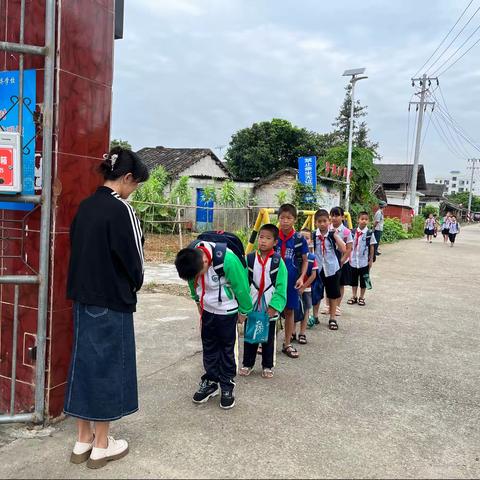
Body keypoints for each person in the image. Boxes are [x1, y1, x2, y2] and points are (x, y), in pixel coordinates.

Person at [64, 147, 149, 469]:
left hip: (83, 298)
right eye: (136, 184)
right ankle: (102, 444)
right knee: (108, 368)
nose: (134, 190)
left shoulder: (85, 207)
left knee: (84, 365)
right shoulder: (121, 209)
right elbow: (135, 262)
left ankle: (82, 439)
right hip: (111, 300)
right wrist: (134, 286)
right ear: (127, 178)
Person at [175, 235, 253, 410]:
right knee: (209, 346)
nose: (195, 278)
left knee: (226, 350)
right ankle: (210, 382)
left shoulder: (228, 259)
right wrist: (197, 301)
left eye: (197, 274)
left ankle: (227, 386)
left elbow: (242, 287)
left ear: (204, 262)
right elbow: (192, 283)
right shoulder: (191, 257)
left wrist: (244, 311)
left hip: (227, 310)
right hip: (208, 310)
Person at [240, 224, 287, 379]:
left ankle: (267, 365)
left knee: (269, 337)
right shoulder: (250, 258)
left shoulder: (278, 262)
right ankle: (248, 363)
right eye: (261, 237)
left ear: (275, 242)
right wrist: (243, 304)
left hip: (269, 304)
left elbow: (281, 285)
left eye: (268, 238)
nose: (263, 241)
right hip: (251, 303)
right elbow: (243, 282)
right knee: (250, 335)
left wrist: (274, 306)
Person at [275, 204, 308, 358]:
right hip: (272, 280)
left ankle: (287, 344)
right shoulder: (273, 235)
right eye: (282, 218)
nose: (285, 221)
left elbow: (306, 260)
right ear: (278, 219)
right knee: (269, 310)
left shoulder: (299, 239)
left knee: (289, 312)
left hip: (291, 280)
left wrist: (302, 277)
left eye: (289, 218)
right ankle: (265, 342)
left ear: (294, 219)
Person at [313, 209, 346, 330]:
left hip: (332, 268)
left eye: (325, 221)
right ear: (315, 223)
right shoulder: (313, 235)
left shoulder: (333, 235)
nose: (322, 224)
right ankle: (315, 316)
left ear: (329, 221)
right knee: (316, 294)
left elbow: (343, 249)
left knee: (332, 295)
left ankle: (332, 318)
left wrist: (336, 236)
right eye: (319, 221)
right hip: (317, 269)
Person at [321, 207, 353, 316]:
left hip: (342, 262)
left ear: (342, 217)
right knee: (328, 283)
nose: (334, 218)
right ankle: (328, 305)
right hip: (329, 262)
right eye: (332, 215)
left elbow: (349, 248)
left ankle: (337, 306)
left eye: (337, 215)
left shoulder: (346, 231)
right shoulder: (326, 229)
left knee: (340, 284)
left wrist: (342, 261)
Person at [294, 229, 318, 344]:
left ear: (311, 241)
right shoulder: (293, 255)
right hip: (294, 288)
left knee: (306, 311)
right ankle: (292, 332)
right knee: (293, 310)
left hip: (306, 289)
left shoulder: (312, 257)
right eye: (301, 238)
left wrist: (304, 287)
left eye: (307, 238)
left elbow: (313, 275)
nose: (304, 240)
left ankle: (302, 333)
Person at [347, 211, 377, 307]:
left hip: (364, 261)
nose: (364, 221)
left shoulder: (369, 233)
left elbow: (372, 246)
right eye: (362, 219)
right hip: (353, 261)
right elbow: (349, 245)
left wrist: (371, 260)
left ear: (368, 221)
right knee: (354, 280)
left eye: (366, 219)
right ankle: (354, 296)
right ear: (358, 220)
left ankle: (362, 297)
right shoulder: (352, 232)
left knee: (365, 280)